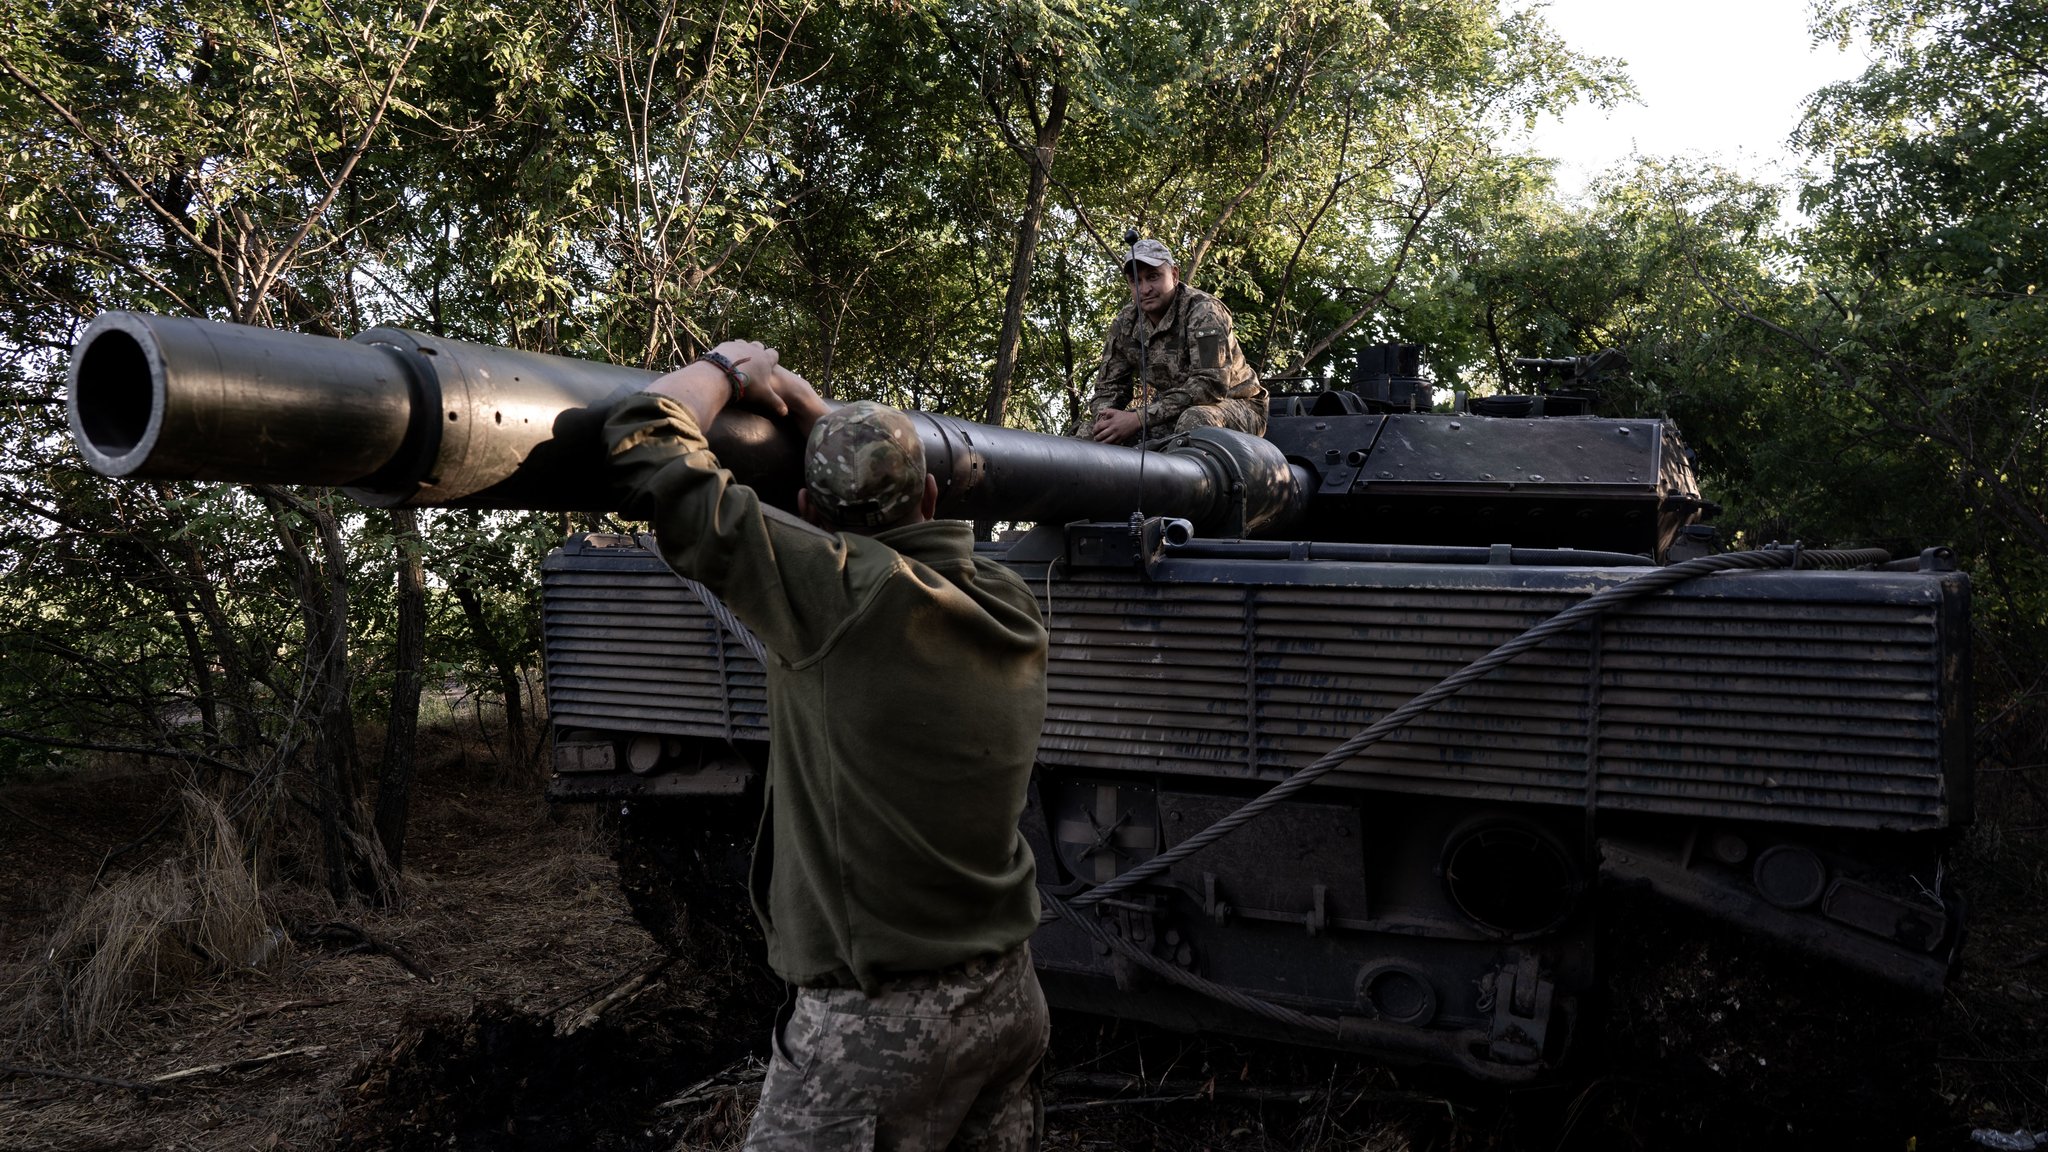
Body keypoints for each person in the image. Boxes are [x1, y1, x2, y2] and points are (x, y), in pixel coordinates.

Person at [604, 344, 1052, 1152]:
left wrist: (733, 369)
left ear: (809, 509)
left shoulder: (842, 594)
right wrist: (816, 408)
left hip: (886, 1026)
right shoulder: (1001, 593)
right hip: (1006, 997)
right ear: (927, 493)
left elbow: (646, 437)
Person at [1076, 237, 1268, 446]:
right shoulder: (1126, 323)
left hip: (1238, 407)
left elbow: (1210, 386)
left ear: (1174, 275)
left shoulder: (1204, 312)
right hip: (1171, 413)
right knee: (1090, 432)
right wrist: (1106, 420)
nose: (1145, 288)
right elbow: (1108, 389)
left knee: (1194, 420)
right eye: (1136, 281)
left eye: (1153, 277)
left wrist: (1139, 418)